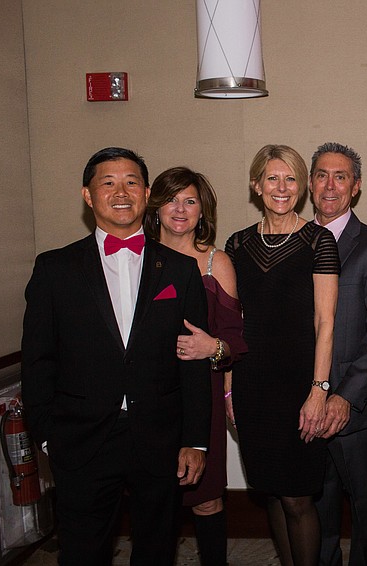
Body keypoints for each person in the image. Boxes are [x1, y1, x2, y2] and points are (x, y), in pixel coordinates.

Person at [21, 147, 212, 566]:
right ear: (88, 196)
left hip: (160, 439)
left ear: (146, 193)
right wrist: (49, 435)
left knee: (157, 550)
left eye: (130, 183)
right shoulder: (54, 269)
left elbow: (194, 361)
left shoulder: (180, 270)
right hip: (81, 439)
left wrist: (195, 439)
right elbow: (38, 360)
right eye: (107, 183)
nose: (120, 192)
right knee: (82, 551)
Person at [225, 144, 339, 566]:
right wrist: (229, 390)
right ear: (256, 185)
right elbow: (231, 325)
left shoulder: (318, 241)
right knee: (269, 490)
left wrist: (319, 390)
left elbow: (325, 323)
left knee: (297, 499)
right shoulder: (236, 244)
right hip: (252, 386)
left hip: (299, 387)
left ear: (303, 188)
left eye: (291, 178)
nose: (282, 187)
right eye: (272, 178)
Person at [144, 167, 248, 566]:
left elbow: (235, 341)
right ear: (156, 207)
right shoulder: (139, 260)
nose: (180, 209)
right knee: (154, 501)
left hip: (200, 397)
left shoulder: (215, 263)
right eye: (172, 199)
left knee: (205, 499)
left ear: (203, 211)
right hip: (148, 398)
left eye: (190, 201)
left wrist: (213, 348)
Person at [308, 141, 367, 566]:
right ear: (310, 184)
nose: (330, 185)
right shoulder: (296, 243)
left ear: (356, 187)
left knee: (366, 505)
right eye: (322, 175)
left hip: (354, 406)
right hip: (305, 401)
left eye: (340, 176)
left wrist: (343, 397)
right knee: (317, 499)